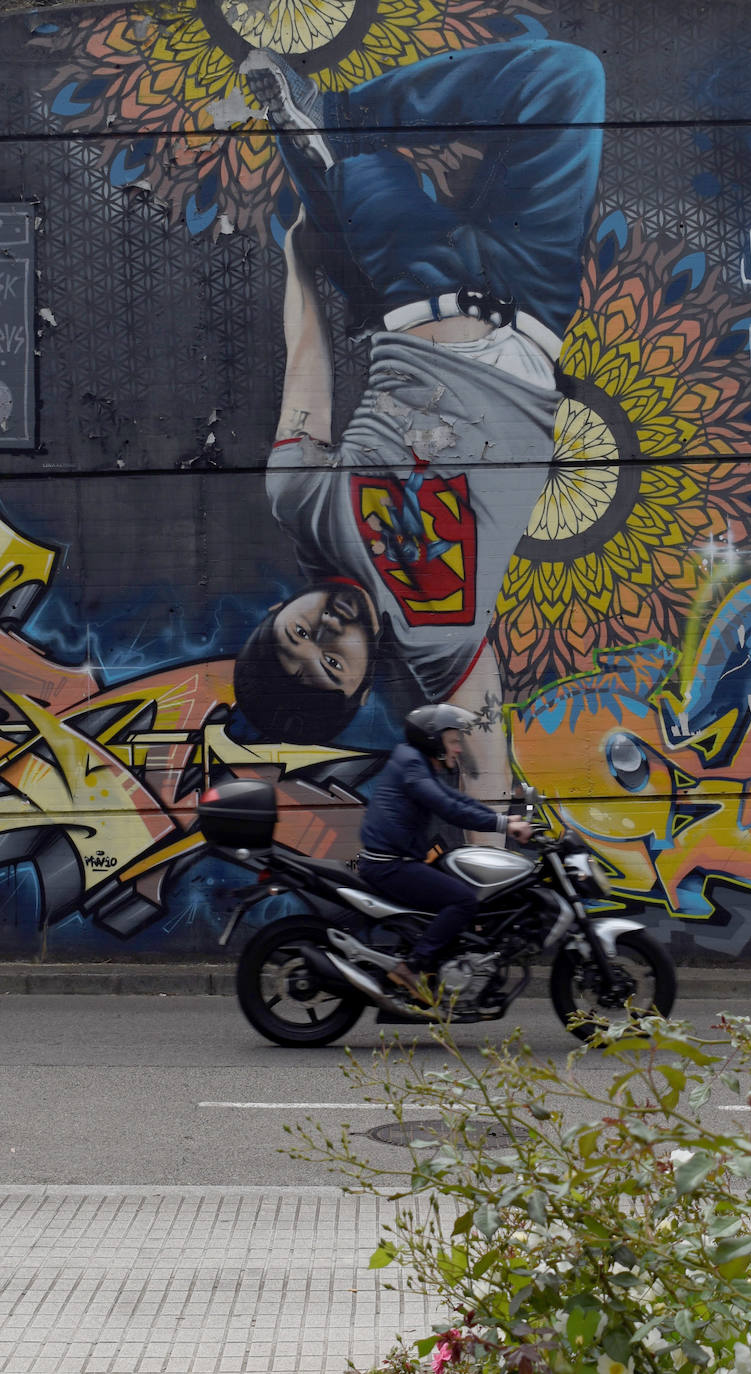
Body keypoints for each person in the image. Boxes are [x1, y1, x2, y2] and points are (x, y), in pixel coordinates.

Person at [233, 37, 605, 775]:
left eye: (293, 638)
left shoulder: (302, 503)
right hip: (536, 300)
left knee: (357, 164)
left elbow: (309, 367)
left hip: (418, 281)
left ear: (278, 615)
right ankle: (322, 153)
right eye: (330, 665)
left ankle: (334, 127)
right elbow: (488, 769)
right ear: (361, 680)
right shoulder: (443, 648)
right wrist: (494, 847)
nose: (323, 634)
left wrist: (297, 265)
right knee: (571, 80)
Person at [357, 703, 533, 1000]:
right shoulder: (413, 766)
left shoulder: (414, 762)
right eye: (453, 741)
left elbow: (455, 799)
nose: (459, 749)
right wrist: (503, 825)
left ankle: (439, 964)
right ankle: (412, 967)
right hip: (389, 865)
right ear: (433, 741)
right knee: (464, 900)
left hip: (396, 859)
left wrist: (508, 819)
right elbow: (448, 807)